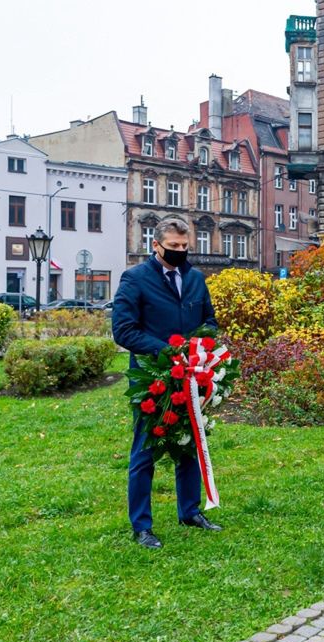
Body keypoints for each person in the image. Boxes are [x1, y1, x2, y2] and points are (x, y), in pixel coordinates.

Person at [112, 219, 221, 549]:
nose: (179, 252)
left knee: (189, 445)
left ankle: (189, 512)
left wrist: (202, 348)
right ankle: (142, 526)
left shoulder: (195, 279)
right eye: (173, 247)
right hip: (152, 379)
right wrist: (169, 351)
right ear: (155, 245)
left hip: (192, 375)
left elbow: (209, 321)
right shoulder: (135, 279)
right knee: (145, 451)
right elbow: (124, 330)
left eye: (184, 247)